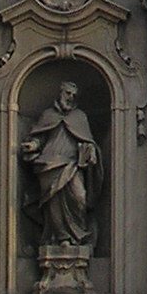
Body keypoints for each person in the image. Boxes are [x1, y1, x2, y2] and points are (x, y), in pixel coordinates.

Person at [19, 79, 99, 249]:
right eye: (67, 93)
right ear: (60, 93)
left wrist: (90, 150)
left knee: (80, 198)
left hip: (72, 165)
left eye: (74, 95)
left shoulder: (80, 117)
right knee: (52, 200)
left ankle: (77, 237)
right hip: (49, 164)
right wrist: (32, 145)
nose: (70, 97)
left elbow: (88, 140)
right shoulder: (48, 115)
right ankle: (61, 237)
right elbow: (39, 137)